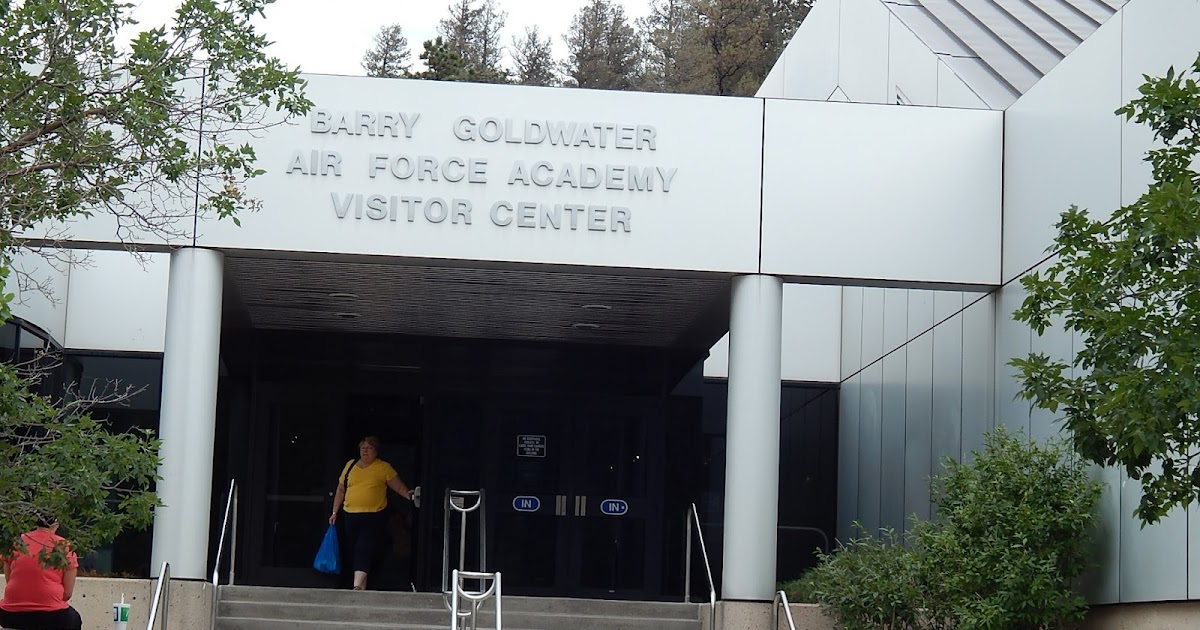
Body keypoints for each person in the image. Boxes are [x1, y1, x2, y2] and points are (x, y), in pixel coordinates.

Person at [329, 436, 414, 590]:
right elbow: (340, 490)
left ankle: (357, 587)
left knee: (364, 547)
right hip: (350, 515)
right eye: (363, 448)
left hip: (373, 516)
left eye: (369, 448)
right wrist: (335, 511)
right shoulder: (350, 465)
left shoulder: (383, 467)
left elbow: (398, 486)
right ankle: (362, 584)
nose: (365, 451)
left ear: (376, 451)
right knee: (355, 549)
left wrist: (409, 495)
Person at [0, 512, 82, 630]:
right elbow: (67, 593)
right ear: (57, 524)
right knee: (75, 619)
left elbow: (10, 579)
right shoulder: (65, 546)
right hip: (51, 615)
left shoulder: (16, 542)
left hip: (10, 614)